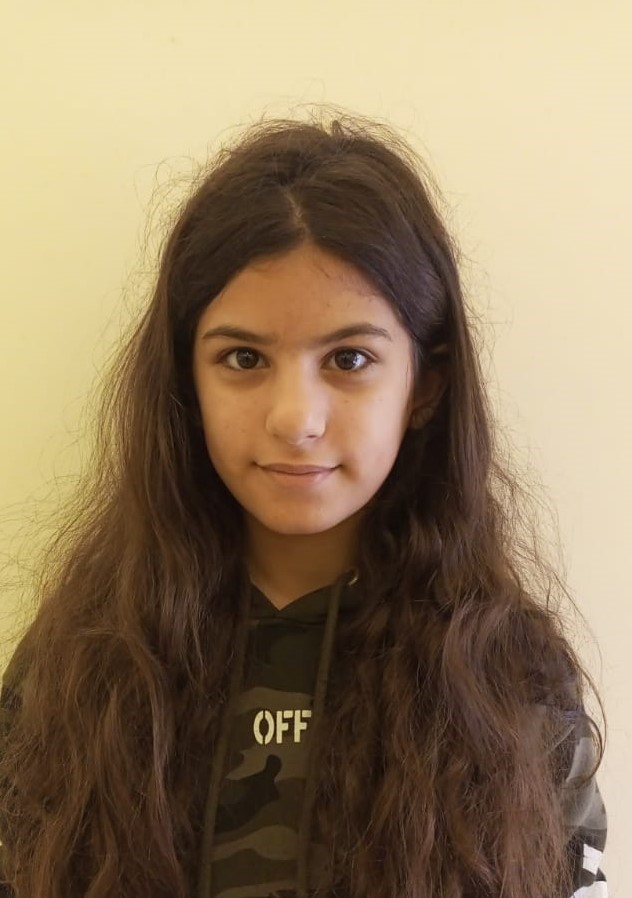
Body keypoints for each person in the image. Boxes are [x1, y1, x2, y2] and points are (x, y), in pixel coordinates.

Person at [0, 110, 607, 898]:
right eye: (243, 358)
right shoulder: (77, 666)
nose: (295, 419)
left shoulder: (511, 679)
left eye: (349, 359)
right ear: (187, 380)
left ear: (424, 386)